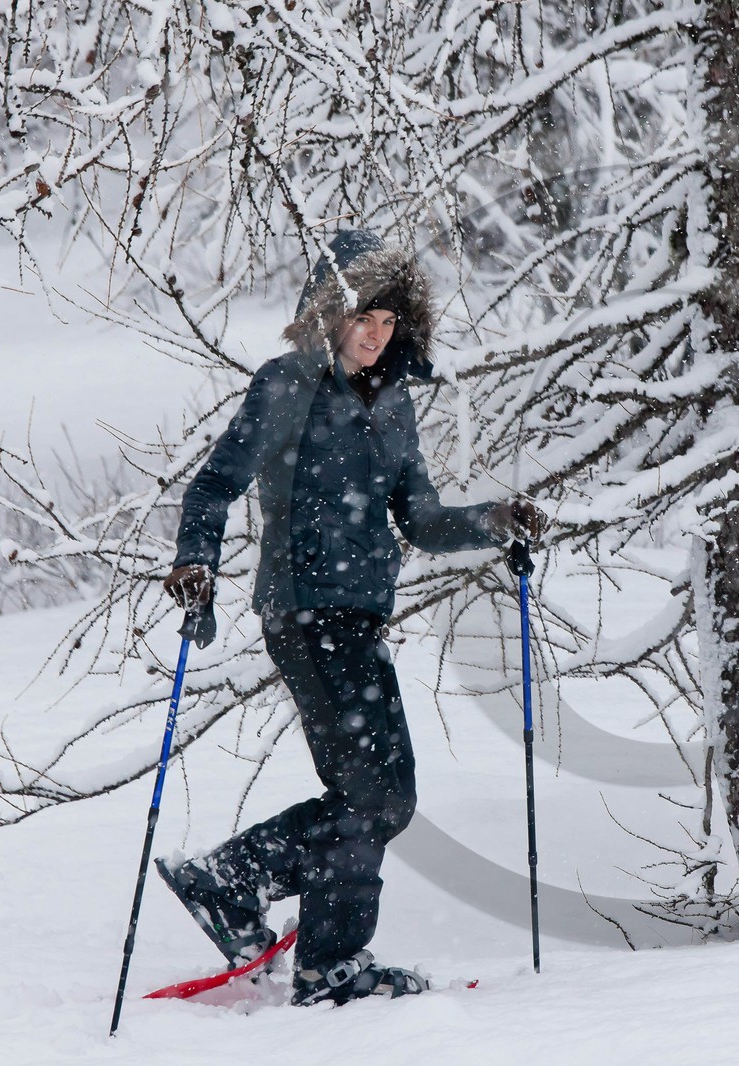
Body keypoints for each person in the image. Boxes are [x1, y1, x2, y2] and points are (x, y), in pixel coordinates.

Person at [155, 229, 542, 1006]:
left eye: (391, 320)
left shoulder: (394, 403)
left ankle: (238, 887)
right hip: (304, 610)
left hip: (359, 618)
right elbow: (212, 489)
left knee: (382, 795)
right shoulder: (287, 385)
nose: (376, 333)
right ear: (331, 311)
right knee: (375, 795)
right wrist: (196, 564)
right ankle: (308, 942)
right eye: (364, 315)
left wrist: (494, 521)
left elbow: (422, 518)